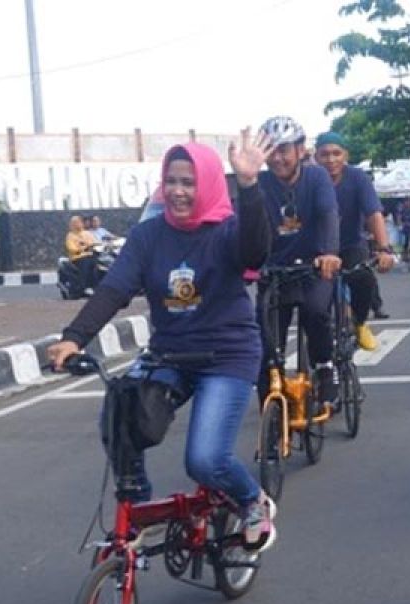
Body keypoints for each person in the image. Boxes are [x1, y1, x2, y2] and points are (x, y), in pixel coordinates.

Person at [46, 131, 278, 551]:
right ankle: (137, 506)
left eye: (188, 183)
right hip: (170, 354)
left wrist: (248, 184)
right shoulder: (148, 236)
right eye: (171, 181)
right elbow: (114, 289)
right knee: (119, 414)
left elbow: (255, 251)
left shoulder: (226, 231)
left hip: (227, 356)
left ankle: (252, 501)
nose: (177, 191)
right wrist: (74, 338)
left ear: (206, 185)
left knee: (205, 461)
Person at [255, 116, 342, 405]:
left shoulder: (316, 177)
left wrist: (329, 252)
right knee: (266, 341)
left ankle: (324, 368)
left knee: (316, 312)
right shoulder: (259, 182)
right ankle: (272, 413)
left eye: (284, 150)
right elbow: (245, 226)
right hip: (275, 270)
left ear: (301, 149)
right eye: (272, 151)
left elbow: (328, 213)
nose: (278, 158)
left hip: (314, 266)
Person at [312, 131, 396, 351]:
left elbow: (373, 213)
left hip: (350, 244)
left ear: (345, 155)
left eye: (336, 153)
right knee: (314, 301)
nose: (331, 160)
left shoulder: (357, 177)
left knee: (364, 279)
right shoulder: (308, 178)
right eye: (324, 154)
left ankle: (360, 323)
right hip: (317, 248)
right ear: (315, 156)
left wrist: (384, 248)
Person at [64, 215, 102, 297]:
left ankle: (96, 286)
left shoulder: (87, 234)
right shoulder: (70, 236)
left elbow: (96, 242)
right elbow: (71, 248)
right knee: (86, 263)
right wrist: (83, 248)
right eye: (74, 223)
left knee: (98, 264)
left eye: (78, 222)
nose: (77, 224)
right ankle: (83, 287)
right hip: (77, 258)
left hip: (90, 255)